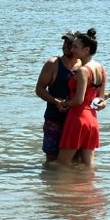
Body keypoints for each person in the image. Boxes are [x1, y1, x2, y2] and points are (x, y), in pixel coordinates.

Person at [57, 29, 106, 168]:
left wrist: (64, 103)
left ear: (86, 49)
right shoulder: (100, 68)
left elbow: (78, 100)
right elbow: (101, 99)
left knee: (62, 164)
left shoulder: (83, 70)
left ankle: (62, 189)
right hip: (92, 119)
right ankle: (88, 188)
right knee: (88, 164)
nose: (72, 49)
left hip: (78, 118)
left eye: (76, 47)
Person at [35, 31, 80, 162]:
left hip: (74, 120)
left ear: (78, 46)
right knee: (51, 161)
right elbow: (39, 89)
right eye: (65, 42)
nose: (66, 45)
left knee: (77, 159)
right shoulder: (53, 63)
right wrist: (55, 102)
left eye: (70, 43)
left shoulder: (83, 66)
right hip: (54, 119)